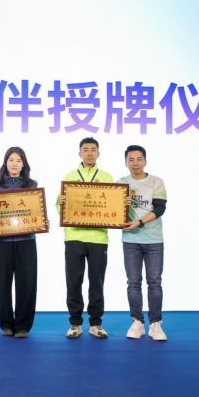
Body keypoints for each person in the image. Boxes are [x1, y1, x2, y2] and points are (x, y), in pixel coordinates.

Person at [57, 137, 114, 339]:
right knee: (73, 281)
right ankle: (75, 323)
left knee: (96, 282)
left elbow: (113, 206)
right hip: (74, 236)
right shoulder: (70, 176)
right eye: (85, 150)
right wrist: (61, 202)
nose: (89, 153)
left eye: (93, 150)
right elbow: (60, 208)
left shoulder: (106, 177)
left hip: (99, 238)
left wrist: (121, 205)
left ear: (98, 153)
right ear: (79, 153)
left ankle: (96, 324)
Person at [0, 147, 39, 338]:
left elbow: (36, 212)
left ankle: (23, 325)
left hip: (26, 241)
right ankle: (6, 324)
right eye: (11, 160)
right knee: (2, 283)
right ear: (5, 163)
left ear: (23, 164)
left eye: (18, 160)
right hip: (1, 242)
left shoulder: (32, 185)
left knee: (27, 283)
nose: (14, 164)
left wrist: (41, 220)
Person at [119, 145, 168, 341]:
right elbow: (112, 211)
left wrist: (139, 222)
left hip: (154, 239)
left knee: (154, 282)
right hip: (130, 240)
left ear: (145, 161)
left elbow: (160, 208)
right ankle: (137, 322)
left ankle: (155, 324)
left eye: (139, 159)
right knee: (133, 283)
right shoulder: (120, 184)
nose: (135, 163)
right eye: (131, 159)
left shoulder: (156, 182)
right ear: (126, 162)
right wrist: (121, 206)